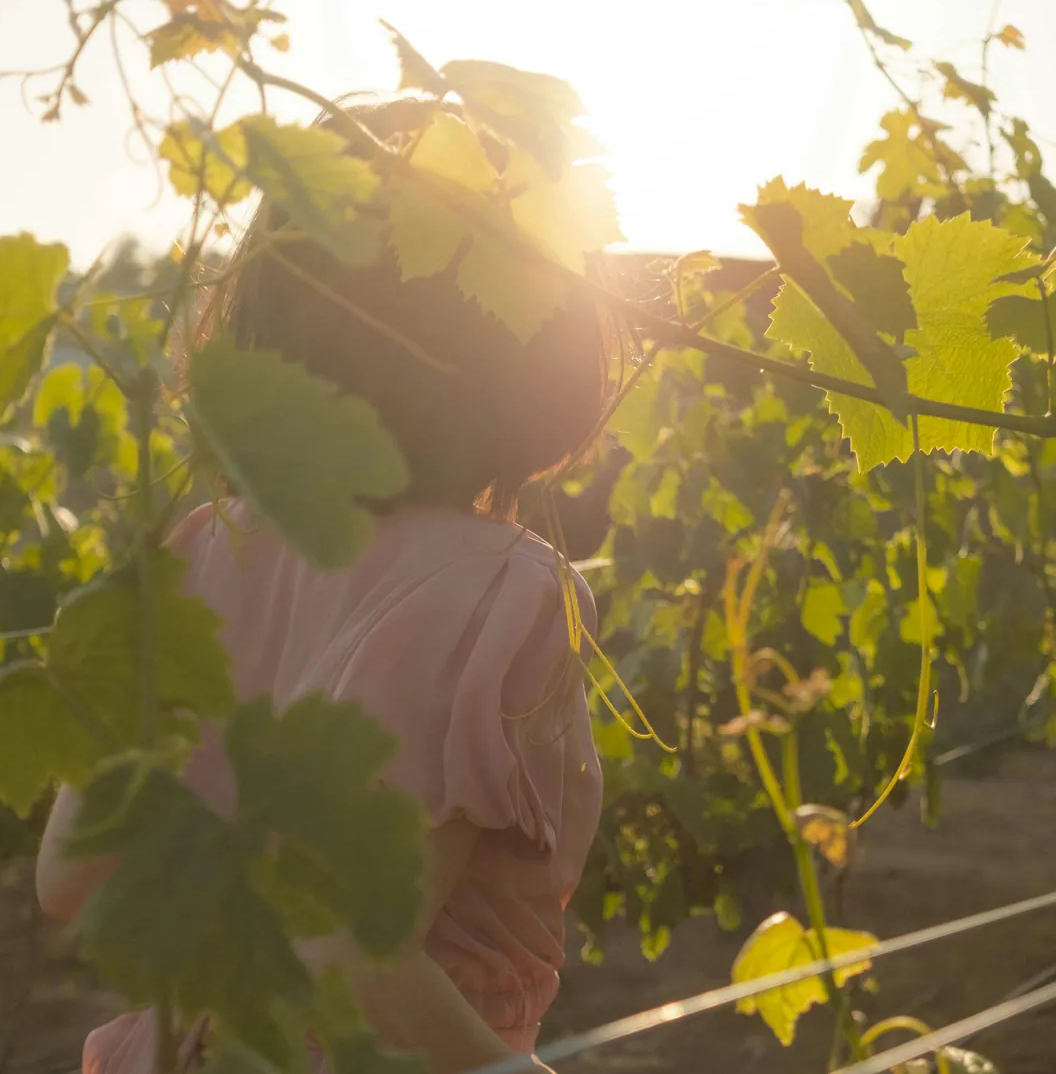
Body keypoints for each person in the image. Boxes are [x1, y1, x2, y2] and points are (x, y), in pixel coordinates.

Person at [33, 98, 621, 1074]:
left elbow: (68, 879)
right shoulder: (505, 591)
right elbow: (349, 955)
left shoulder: (196, 551)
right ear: (544, 339)